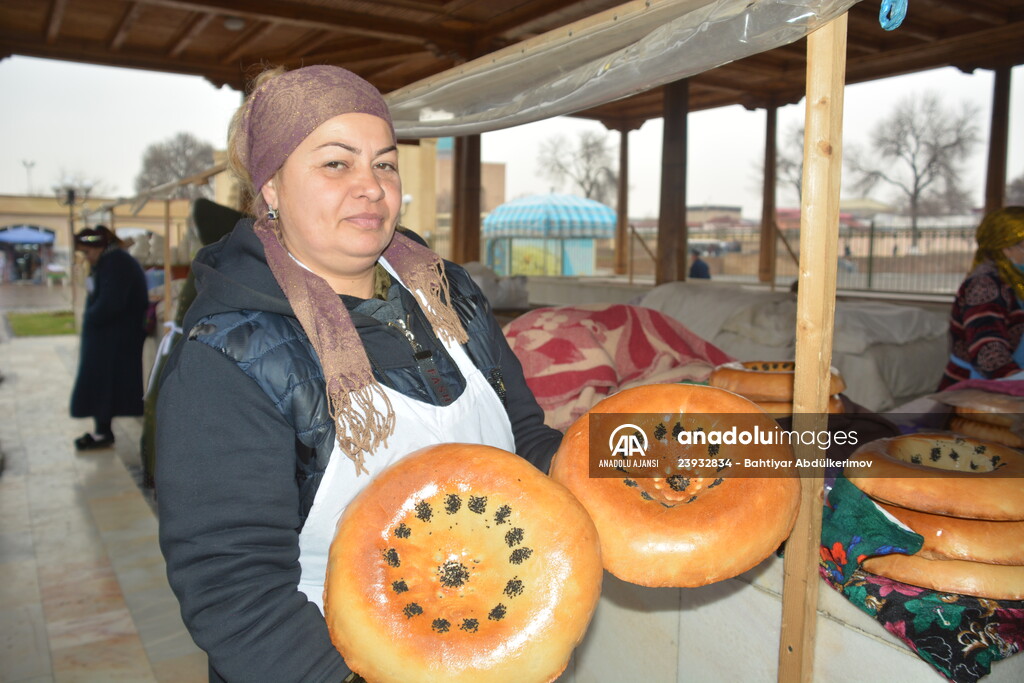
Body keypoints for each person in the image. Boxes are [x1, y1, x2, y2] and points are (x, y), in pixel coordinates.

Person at [155, 64, 563, 682]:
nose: (371, 187)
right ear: (270, 187)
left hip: (493, 642)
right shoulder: (232, 356)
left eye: (385, 163)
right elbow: (235, 591)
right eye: (336, 164)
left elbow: (526, 438)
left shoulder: (447, 294)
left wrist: (634, 463)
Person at [70, 226, 149, 449]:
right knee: (102, 386)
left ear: (98, 247)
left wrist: (92, 317)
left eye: (87, 252)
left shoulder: (116, 263)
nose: (86, 257)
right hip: (111, 337)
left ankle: (103, 432)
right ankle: (102, 430)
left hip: (113, 338)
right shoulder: (112, 261)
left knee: (104, 385)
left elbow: (111, 303)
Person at [939, 206, 1024, 389]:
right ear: (1006, 248)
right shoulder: (985, 283)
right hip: (982, 388)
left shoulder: (1018, 279)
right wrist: (1016, 379)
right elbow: (987, 346)